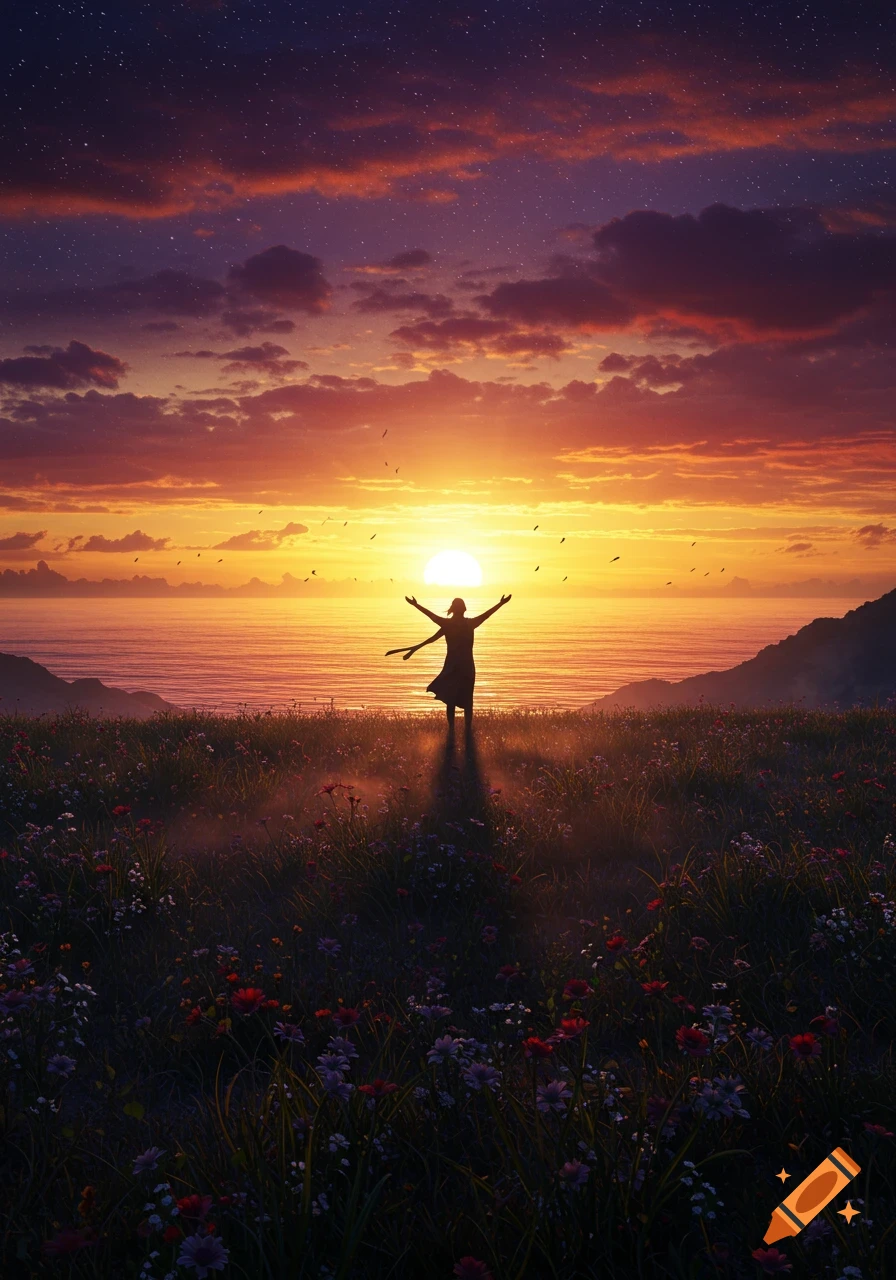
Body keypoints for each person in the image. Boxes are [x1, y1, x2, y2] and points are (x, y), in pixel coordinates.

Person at [386, 593, 512, 732]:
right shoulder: (468, 624)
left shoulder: (449, 624)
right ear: (463, 609)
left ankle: (453, 729)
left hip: (455, 667)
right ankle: (465, 730)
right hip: (464, 667)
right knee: (466, 700)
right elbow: (486, 615)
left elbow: (430, 616)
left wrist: (416, 605)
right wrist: (501, 603)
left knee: (451, 699)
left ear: (454, 609)